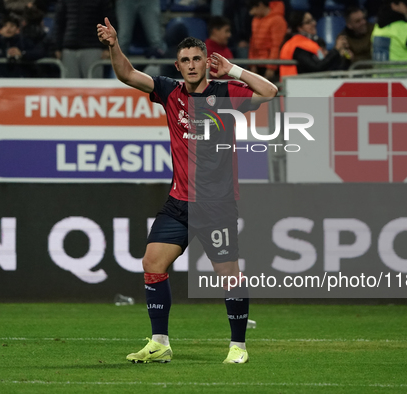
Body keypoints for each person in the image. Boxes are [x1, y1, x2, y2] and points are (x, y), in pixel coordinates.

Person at [97, 17, 277, 364]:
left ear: (206, 61)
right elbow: (127, 74)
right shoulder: (170, 91)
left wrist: (234, 70)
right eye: (185, 60)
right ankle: (160, 343)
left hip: (217, 206)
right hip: (179, 203)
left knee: (229, 276)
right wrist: (113, 44)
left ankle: (238, 347)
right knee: (152, 262)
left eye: (197, 59)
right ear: (178, 65)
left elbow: (269, 92)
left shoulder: (225, 94)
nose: (192, 65)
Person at [53, 0, 114, 78]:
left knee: (94, 87)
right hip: (69, 48)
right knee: (69, 87)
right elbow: (59, 23)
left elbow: (109, 23)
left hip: (93, 48)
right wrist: (57, 47)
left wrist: (107, 47)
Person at [279, 11, 351, 78]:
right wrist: (335, 50)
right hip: (294, 87)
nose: (314, 23)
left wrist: (344, 57)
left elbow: (328, 68)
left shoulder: (314, 43)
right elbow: (317, 68)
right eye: (308, 22)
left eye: (313, 20)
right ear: (299, 28)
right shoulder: (297, 46)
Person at [248, 0, 288, 81]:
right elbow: (252, 44)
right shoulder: (255, 20)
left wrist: (271, 68)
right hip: (257, 66)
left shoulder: (277, 20)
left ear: (260, 4)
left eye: (253, 8)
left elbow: (276, 46)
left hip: (270, 67)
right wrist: (252, 65)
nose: (251, 13)